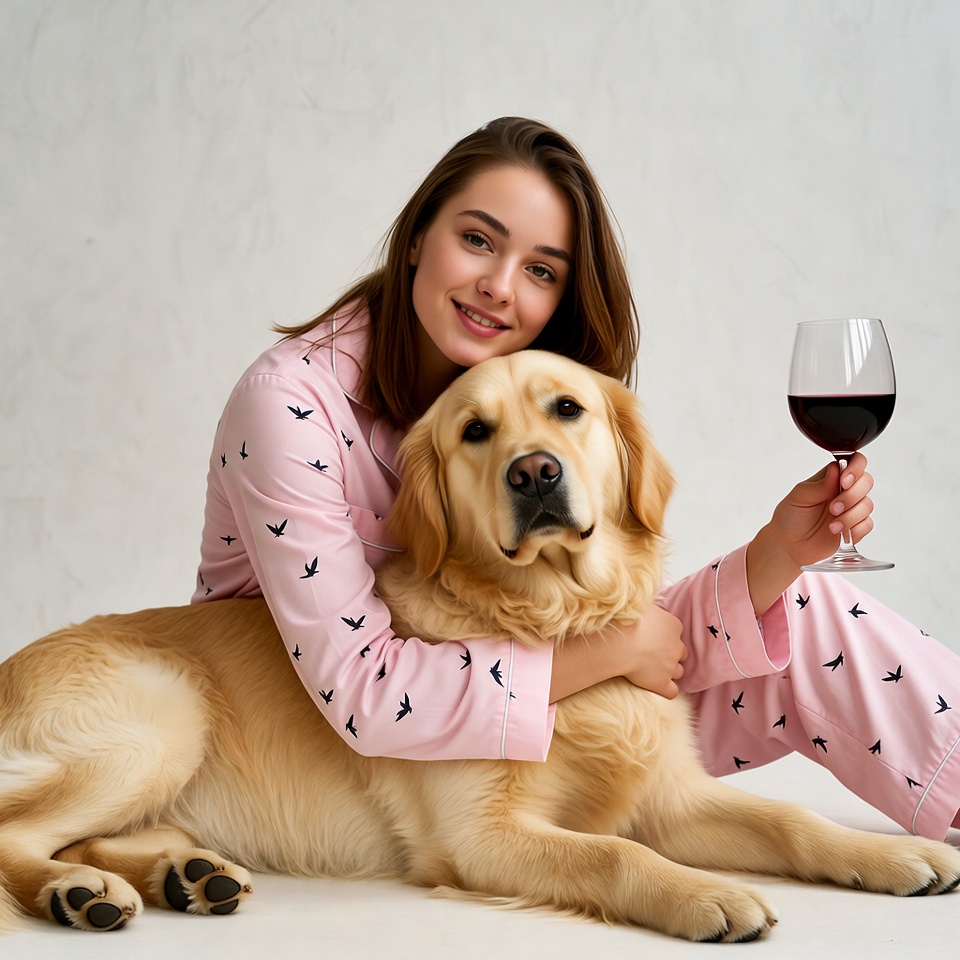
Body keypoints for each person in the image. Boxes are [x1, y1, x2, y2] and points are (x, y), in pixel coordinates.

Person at [193, 117, 959, 841]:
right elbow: (362, 690)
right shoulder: (289, 405)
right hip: (335, 752)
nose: (499, 285)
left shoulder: (539, 393)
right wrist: (606, 657)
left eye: (539, 270)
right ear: (419, 233)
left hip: (540, 703)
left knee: (807, 603)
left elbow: (622, 628)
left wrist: (775, 554)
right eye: (475, 240)